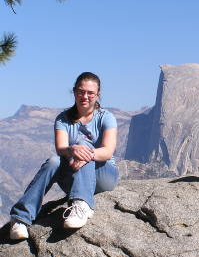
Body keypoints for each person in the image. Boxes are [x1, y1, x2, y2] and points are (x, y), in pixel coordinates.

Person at [9, 72, 119, 240]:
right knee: (53, 161)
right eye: (81, 91)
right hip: (74, 176)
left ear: (98, 95)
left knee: (86, 153)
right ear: (74, 92)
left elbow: (107, 151)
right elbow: (61, 148)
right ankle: (20, 218)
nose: (85, 96)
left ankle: (82, 205)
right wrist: (72, 150)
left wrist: (84, 153)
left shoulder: (106, 118)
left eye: (91, 93)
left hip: (103, 175)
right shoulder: (63, 119)